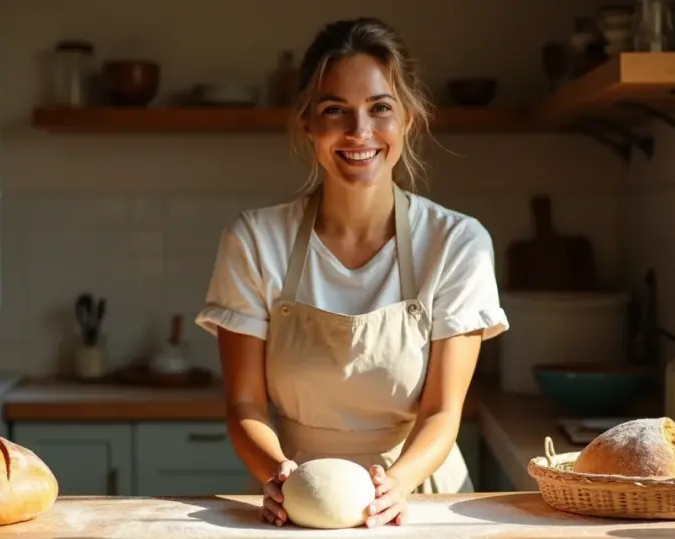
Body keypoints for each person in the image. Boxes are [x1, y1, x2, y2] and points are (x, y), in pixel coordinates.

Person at [195, 17, 508, 528]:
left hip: (418, 498)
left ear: (408, 119)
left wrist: (396, 486)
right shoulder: (254, 241)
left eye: (380, 108)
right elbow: (244, 404)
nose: (359, 132)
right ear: (308, 125)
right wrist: (280, 476)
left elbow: (441, 414)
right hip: (294, 495)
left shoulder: (456, 243)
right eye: (334, 110)